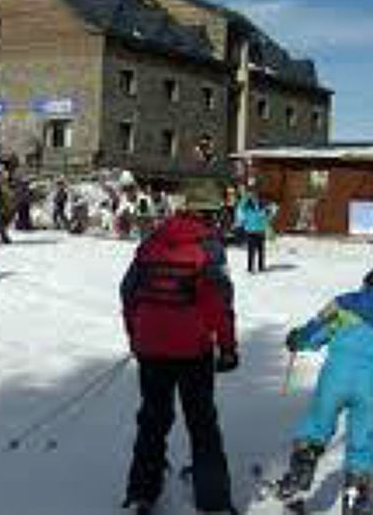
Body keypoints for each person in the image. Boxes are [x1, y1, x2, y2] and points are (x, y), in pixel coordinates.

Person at [120, 179, 238, 515]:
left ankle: (142, 492)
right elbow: (219, 303)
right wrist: (227, 347)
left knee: (153, 419)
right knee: (201, 421)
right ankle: (213, 502)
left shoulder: (153, 239)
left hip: (150, 345)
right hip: (192, 348)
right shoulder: (209, 247)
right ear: (210, 213)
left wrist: (135, 334)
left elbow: (128, 291)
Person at [274, 264, 373, 515]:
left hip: (335, 377)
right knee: (364, 437)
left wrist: (299, 339)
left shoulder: (345, 303)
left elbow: (317, 328)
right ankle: (355, 496)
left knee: (317, 423)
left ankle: (301, 468)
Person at [237, 192, 272, 273]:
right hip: (251, 232)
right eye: (253, 198)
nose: (255, 199)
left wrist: (268, 214)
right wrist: (245, 197)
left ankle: (261, 266)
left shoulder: (262, 208)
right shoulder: (246, 209)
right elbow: (240, 207)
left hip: (260, 231)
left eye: (256, 198)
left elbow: (267, 218)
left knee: (261, 251)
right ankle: (250, 267)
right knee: (251, 251)